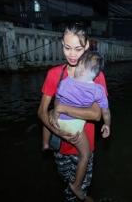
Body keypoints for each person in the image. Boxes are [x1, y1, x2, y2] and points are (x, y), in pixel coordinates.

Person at [38, 25, 108, 202]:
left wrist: (62, 109)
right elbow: (41, 112)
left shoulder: (96, 76)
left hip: (84, 144)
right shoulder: (54, 74)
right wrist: (58, 132)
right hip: (60, 146)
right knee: (67, 184)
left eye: (78, 49)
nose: (72, 54)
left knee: (76, 192)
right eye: (67, 48)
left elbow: (96, 115)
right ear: (62, 44)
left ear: (86, 47)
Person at [52, 51, 111, 200]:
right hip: (75, 128)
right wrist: (107, 125)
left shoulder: (66, 82)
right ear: (95, 74)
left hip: (59, 122)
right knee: (85, 155)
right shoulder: (98, 90)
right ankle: (76, 185)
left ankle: (46, 142)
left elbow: (57, 100)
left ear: (81, 67)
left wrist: (56, 112)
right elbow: (105, 112)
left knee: (50, 114)